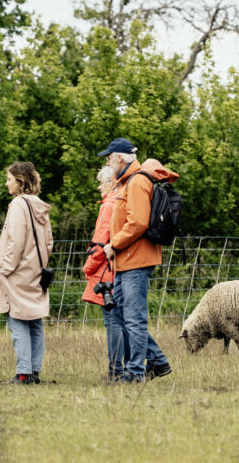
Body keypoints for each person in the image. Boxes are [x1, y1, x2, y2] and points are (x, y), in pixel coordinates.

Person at [100, 138, 179, 383]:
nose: (108, 162)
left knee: (133, 318)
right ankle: (156, 360)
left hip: (135, 260)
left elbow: (138, 222)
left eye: (109, 157)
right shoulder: (129, 182)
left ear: (120, 158)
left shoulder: (136, 182)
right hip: (127, 261)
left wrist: (114, 245)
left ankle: (136, 373)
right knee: (121, 314)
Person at [0, 161, 54, 385]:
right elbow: (48, 242)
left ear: (20, 181)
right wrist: (38, 264)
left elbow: (15, 241)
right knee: (35, 320)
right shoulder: (40, 205)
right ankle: (34, 371)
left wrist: (5, 268)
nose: (7, 183)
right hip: (35, 271)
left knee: (17, 319)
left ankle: (24, 372)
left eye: (9, 179)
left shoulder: (18, 205)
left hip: (17, 272)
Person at [81, 166, 126, 381]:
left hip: (107, 270)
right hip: (123, 267)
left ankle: (115, 370)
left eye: (101, 182)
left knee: (113, 321)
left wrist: (87, 268)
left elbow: (99, 243)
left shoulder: (108, 205)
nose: (99, 186)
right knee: (123, 320)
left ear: (112, 183)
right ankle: (127, 367)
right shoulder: (123, 201)